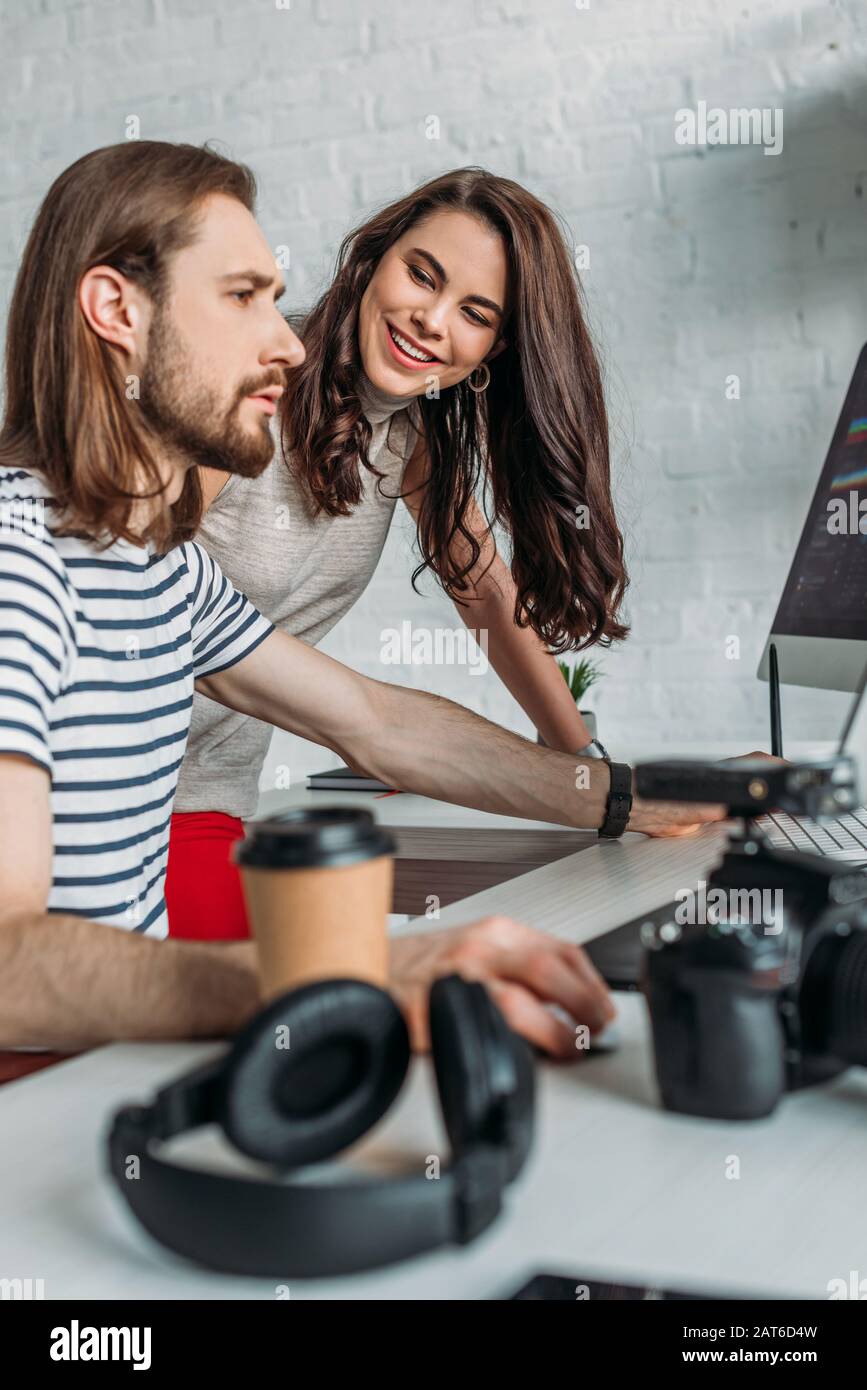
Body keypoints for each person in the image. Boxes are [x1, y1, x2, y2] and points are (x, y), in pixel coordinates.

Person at [0, 140, 726, 1059]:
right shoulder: (26, 564)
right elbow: (10, 972)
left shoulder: (161, 572)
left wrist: (623, 793)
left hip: (126, 946)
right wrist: (353, 978)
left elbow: (380, 721)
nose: (287, 342)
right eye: (242, 298)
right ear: (115, 310)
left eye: (474, 313)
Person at [166, 167, 629, 939]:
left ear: (493, 348)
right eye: (422, 274)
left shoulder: (408, 443)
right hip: (90, 788)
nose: (430, 320)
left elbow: (485, 595)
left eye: (474, 312)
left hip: (203, 797)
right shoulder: (249, 390)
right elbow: (140, 610)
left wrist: (583, 763)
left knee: (287, 993)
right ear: (372, 260)